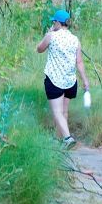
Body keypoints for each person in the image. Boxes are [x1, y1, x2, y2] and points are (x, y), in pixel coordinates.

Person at [36, 9, 89, 148]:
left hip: (54, 80)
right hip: (70, 81)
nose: (53, 24)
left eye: (54, 22)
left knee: (57, 112)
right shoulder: (75, 39)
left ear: (58, 23)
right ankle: (58, 140)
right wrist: (85, 80)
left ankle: (67, 138)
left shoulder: (51, 36)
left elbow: (39, 49)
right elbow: (79, 62)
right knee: (64, 112)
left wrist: (48, 33)